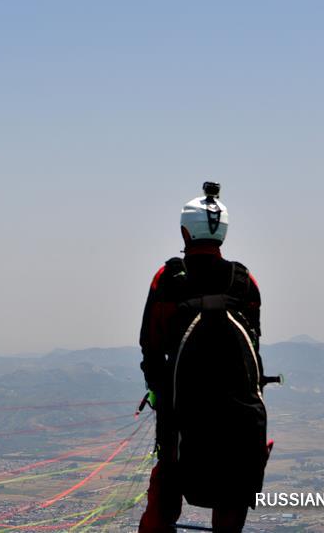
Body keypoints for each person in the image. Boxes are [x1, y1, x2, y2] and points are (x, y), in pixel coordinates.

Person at [137, 182, 269, 533]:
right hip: (240, 416)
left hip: (181, 412)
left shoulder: (167, 279)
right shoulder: (244, 281)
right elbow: (254, 346)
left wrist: (157, 389)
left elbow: (151, 345)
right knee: (233, 497)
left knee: (167, 482)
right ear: (223, 231)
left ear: (185, 231)